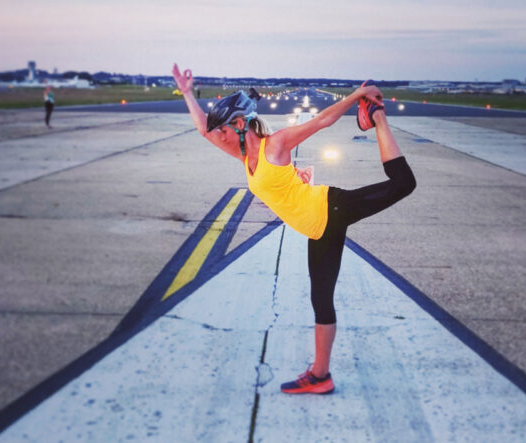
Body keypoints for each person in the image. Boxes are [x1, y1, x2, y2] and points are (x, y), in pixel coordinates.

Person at [172, 64, 416, 394]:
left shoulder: (276, 144)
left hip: (332, 208)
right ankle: (321, 377)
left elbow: (322, 120)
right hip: (319, 229)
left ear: (240, 124)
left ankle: (376, 117)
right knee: (321, 300)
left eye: (225, 131)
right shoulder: (244, 155)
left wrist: (357, 95)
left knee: (403, 184)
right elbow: (204, 129)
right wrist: (188, 92)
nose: (221, 137)